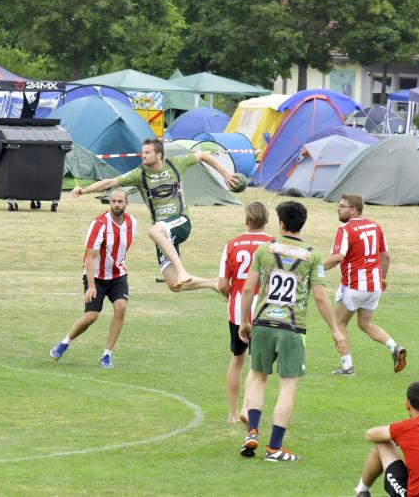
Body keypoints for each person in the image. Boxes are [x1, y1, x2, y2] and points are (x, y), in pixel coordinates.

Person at [237, 201, 346, 462]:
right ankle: (274, 447)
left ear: (282, 223)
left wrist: (244, 320)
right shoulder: (313, 256)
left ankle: (252, 430)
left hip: (263, 323)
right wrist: (335, 329)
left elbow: (249, 289)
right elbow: (320, 298)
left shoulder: (264, 250)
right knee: (288, 387)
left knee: (256, 377)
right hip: (292, 328)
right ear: (302, 224)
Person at [71, 139, 236, 292]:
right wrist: (84, 190)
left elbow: (203, 155)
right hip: (162, 233)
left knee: (153, 232)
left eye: (147, 152)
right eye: (142, 152)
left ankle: (182, 271)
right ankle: (213, 283)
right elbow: (110, 182)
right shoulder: (140, 174)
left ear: (159, 155)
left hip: (180, 222)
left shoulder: (176, 164)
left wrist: (225, 173)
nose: (143, 155)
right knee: (174, 285)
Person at [50, 189, 138, 369]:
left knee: (121, 307)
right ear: (109, 203)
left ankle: (107, 355)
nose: (116, 205)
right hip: (96, 277)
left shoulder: (132, 223)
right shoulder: (99, 224)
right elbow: (90, 257)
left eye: (120, 201)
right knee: (91, 316)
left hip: (117, 275)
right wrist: (91, 286)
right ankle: (65, 342)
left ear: (126, 203)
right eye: (113, 201)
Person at [323, 194, 406, 376]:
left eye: (342, 206)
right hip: (374, 286)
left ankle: (347, 367)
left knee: (338, 324)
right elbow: (386, 256)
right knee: (365, 323)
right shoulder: (375, 226)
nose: (338, 208)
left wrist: (316, 269)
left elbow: (337, 257)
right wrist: (383, 278)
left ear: (353, 210)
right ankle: (394, 347)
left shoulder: (345, 229)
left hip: (354, 286)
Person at [218, 202, 274, 423]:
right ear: (267, 220)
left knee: (236, 358)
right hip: (264, 309)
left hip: (238, 308)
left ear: (246, 220)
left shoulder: (232, 244)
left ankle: (232, 413)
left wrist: (231, 298)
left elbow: (223, 283)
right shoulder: (273, 245)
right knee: (258, 365)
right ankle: (247, 407)